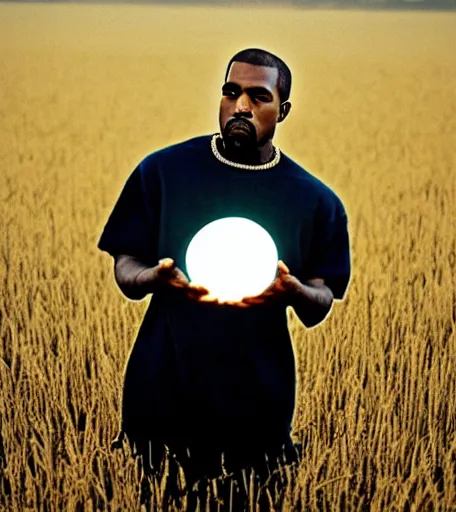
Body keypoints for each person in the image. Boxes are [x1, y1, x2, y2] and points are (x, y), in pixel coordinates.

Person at [97, 47, 351, 510]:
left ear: (283, 110)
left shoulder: (315, 201)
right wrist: (152, 277)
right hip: (162, 384)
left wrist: (295, 290)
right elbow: (126, 265)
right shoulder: (162, 172)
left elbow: (322, 297)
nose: (241, 106)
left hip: (257, 397)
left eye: (259, 96)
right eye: (231, 92)